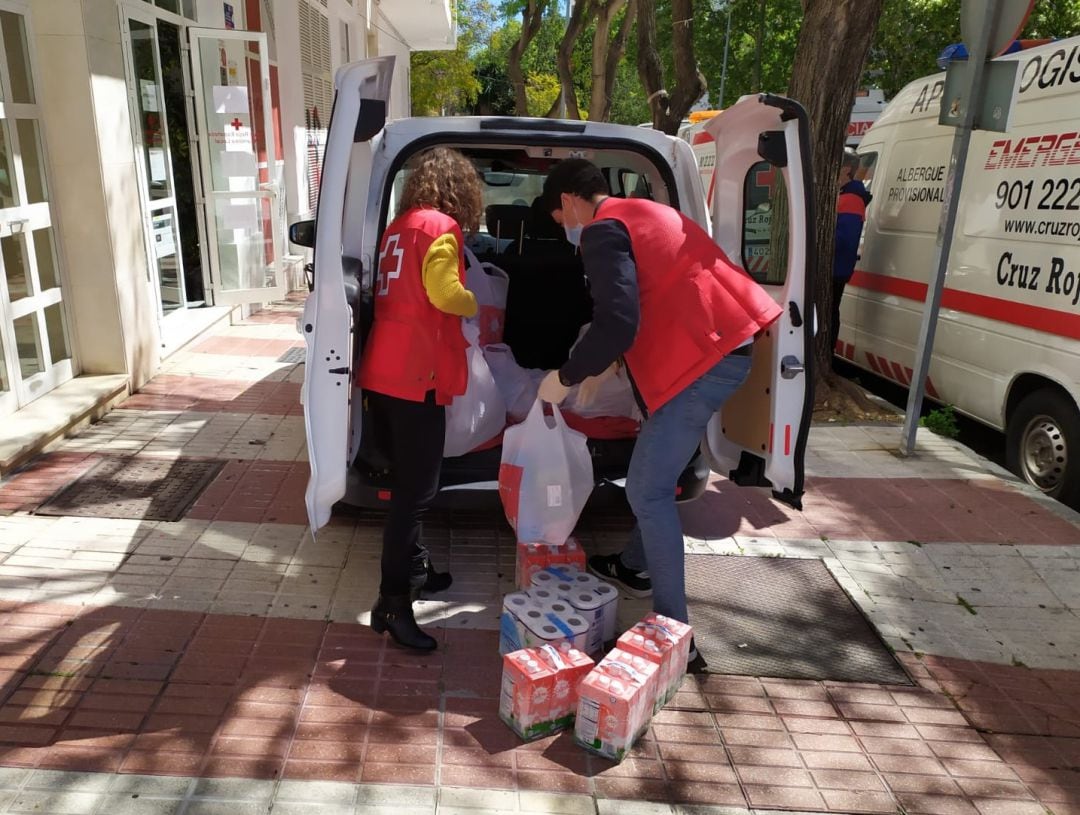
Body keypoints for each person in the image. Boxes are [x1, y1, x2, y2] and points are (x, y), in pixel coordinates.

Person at [536, 159, 782, 672]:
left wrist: (568, 375)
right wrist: (609, 370)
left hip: (701, 363)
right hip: (721, 346)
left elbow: (618, 321)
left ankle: (676, 635)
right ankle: (633, 564)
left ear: (572, 201)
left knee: (645, 491)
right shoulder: (647, 210)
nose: (564, 229)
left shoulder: (601, 232)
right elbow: (658, 291)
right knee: (659, 469)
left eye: (560, 217)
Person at [357, 147, 482, 651]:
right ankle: (392, 604)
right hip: (416, 374)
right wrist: (480, 301)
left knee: (408, 488)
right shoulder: (440, 229)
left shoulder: (399, 227)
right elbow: (445, 293)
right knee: (414, 496)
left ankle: (416, 570)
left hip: (384, 369)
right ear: (459, 190)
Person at [831, 148, 872, 361]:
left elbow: (843, 239)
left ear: (846, 170)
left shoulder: (851, 198)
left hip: (836, 268)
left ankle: (827, 353)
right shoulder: (847, 196)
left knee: (829, 313)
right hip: (838, 266)